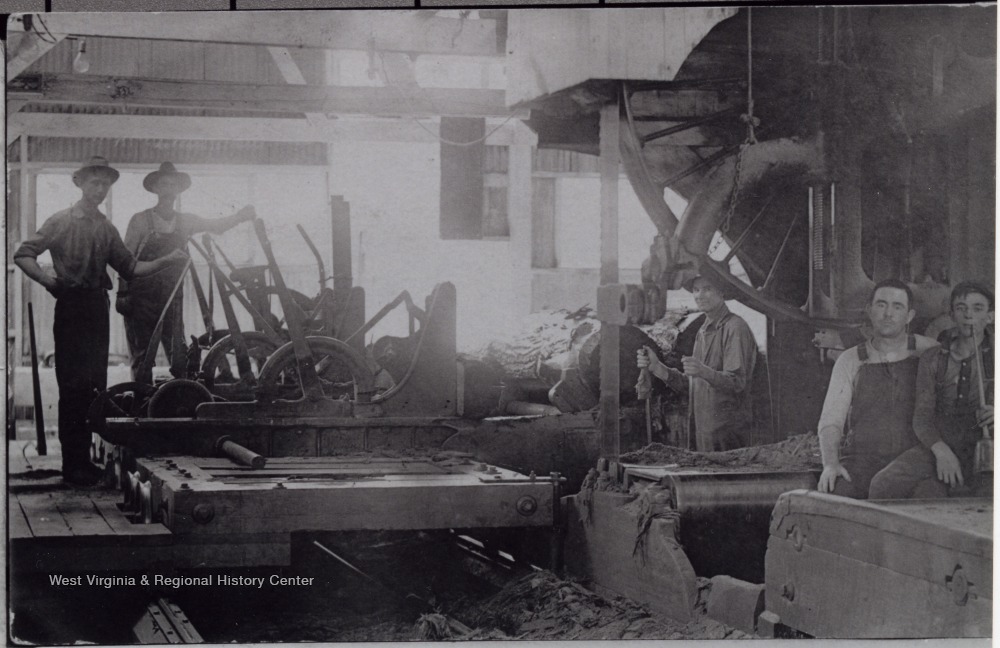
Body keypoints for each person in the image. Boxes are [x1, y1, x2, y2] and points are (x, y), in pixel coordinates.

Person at [14, 156, 188, 486]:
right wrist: (48, 281)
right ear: (80, 183)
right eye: (94, 182)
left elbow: (131, 269)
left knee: (95, 386)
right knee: (72, 387)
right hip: (71, 308)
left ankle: (84, 464)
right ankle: (73, 466)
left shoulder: (106, 228)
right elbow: (23, 253)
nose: (100, 188)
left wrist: (168, 259)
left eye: (105, 183)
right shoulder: (61, 220)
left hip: (97, 308)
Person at [117, 161, 255, 384]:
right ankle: (140, 410)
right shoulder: (140, 220)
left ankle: (178, 402)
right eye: (164, 183)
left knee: (178, 357)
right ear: (155, 188)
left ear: (179, 189)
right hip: (141, 300)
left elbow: (216, 225)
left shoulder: (186, 221)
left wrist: (239, 216)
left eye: (173, 184)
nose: (168, 188)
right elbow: (124, 260)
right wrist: (122, 295)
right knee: (142, 359)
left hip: (172, 299)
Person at [869, 281, 994, 498]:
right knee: (883, 485)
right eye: (961, 308)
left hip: (988, 451)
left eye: (978, 308)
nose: (969, 316)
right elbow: (922, 418)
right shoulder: (933, 359)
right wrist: (942, 451)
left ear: (990, 316)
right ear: (952, 315)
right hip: (939, 445)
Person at [816, 279, 938, 498]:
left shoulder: (929, 352)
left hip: (913, 462)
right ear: (869, 310)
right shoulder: (850, 359)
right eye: (881, 304)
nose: (888, 313)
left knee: (930, 497)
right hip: (862, 461)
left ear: (909, 316)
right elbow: (831, 421)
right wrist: (830, 464)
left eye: (897, 306)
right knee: (837, 494)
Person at [637, 272, 758, 451]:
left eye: (707, 289)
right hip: (703, 433)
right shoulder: (702, 331)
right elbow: (693, 386)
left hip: (727, 436)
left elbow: (737, 382)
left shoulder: (735, 327)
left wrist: (703, 371)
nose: (699, 295)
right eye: (696, 290)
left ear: (722, 292)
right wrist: (657, 368)